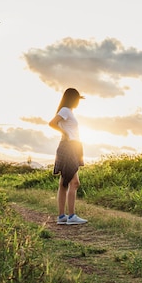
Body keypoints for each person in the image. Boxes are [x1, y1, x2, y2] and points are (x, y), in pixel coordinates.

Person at [49, 88, 87, 225]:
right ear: (72, 98)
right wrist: (64, 132)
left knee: (64, 182)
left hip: (72, 146)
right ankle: (71, 216)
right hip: (69, 147)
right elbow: (52, 123)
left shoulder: (68, 111)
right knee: (74, 182)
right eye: (77, 99)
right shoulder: (65, 110)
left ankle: (61, 216)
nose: (78, 102)